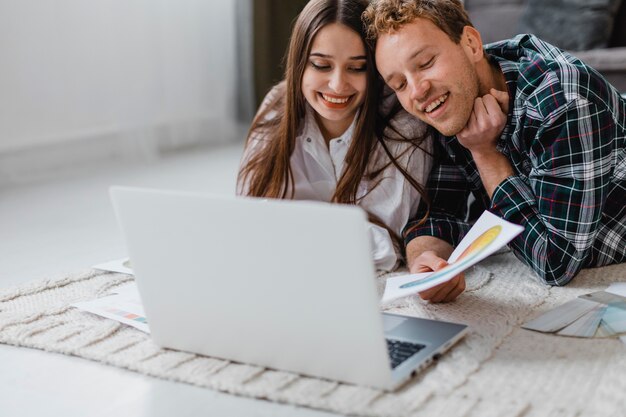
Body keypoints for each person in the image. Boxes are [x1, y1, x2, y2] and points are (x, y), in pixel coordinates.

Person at [363, 0, 626, 302]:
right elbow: (441, 210)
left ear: (472, 44)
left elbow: (557, 262)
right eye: (399, 83)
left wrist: (486, 154)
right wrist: (425, 260)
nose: (417, 91)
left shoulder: (564, 101)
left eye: (425, 63)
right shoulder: (453, 100)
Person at [237, 0, 433, 271]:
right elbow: (247, 224)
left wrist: (289, 230)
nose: (338, 85)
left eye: (356, 68)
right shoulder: (276, 108)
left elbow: (388, 246)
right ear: (299, 65)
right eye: (321, 65)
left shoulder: (403, 126)